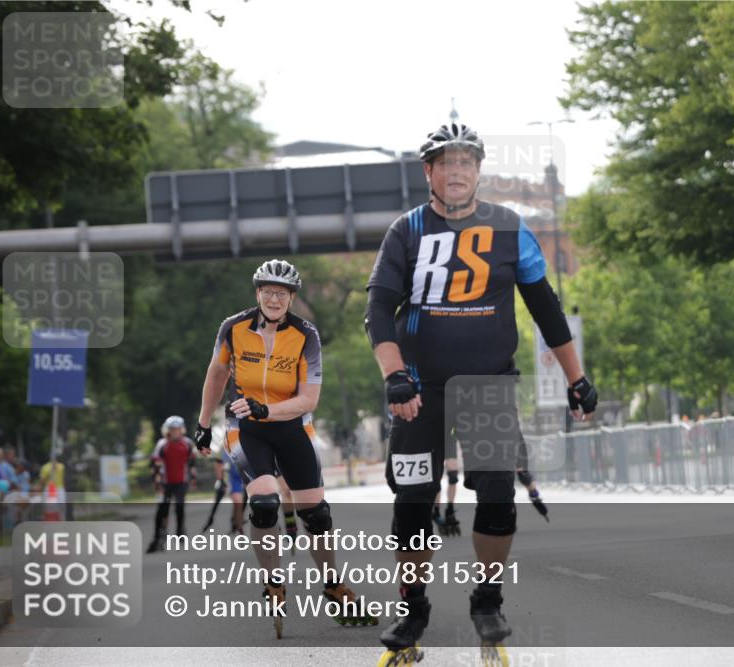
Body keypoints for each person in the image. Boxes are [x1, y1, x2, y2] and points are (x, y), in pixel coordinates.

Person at [365, 122, 598, 661]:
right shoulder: (406, 231)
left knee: (497, 493)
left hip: (489, 384)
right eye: (445, 162)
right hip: (419, 387)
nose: (456, 171)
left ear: (478, 170)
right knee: (413, 501)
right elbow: (378, 309)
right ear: (429, 172)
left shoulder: (511, 227)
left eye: (466, 162)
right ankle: (413, 607)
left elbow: (546, 309)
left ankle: (488, 599)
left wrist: (576, 379)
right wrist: (394, 374)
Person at [193, 259, 374, 635]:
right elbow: (216, 374)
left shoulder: (306, 335)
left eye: (282, 293)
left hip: (292, 426)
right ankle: (273, 581)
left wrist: (269, 408)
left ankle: (332, 584)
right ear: (257, 293)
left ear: (292, 298)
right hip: (247, 430)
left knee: (317, 516)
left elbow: (309, 399)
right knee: (263, 503)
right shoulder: (233, 327)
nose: (274, 299)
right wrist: (203, 423)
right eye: (268, 292)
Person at [147, 416, 198, 553]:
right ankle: (158, 536)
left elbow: (192, 462)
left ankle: (180, 532)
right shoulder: (162, 444)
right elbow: (155, 465)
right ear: (167, 430)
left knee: (179, 507)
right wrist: (156, 482)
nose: (175, 432)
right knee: (162, 509)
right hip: (165, 483)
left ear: (182, 430)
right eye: (172, 430)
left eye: (177, 429)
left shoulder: (187, 443)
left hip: (181, 481)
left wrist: (193, 478)